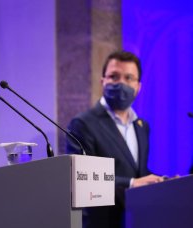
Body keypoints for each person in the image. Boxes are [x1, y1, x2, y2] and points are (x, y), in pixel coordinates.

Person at [67, 50, 164, 228]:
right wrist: (132, 183)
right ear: (102, 81)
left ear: (138, 86)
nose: (121, 83)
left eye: (128, 78)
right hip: (102, 222)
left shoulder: (142, 126)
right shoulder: (83, 123)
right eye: (114, 76)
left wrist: (162, 181)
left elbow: (136, 171)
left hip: (136, 219)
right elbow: (83, 178)